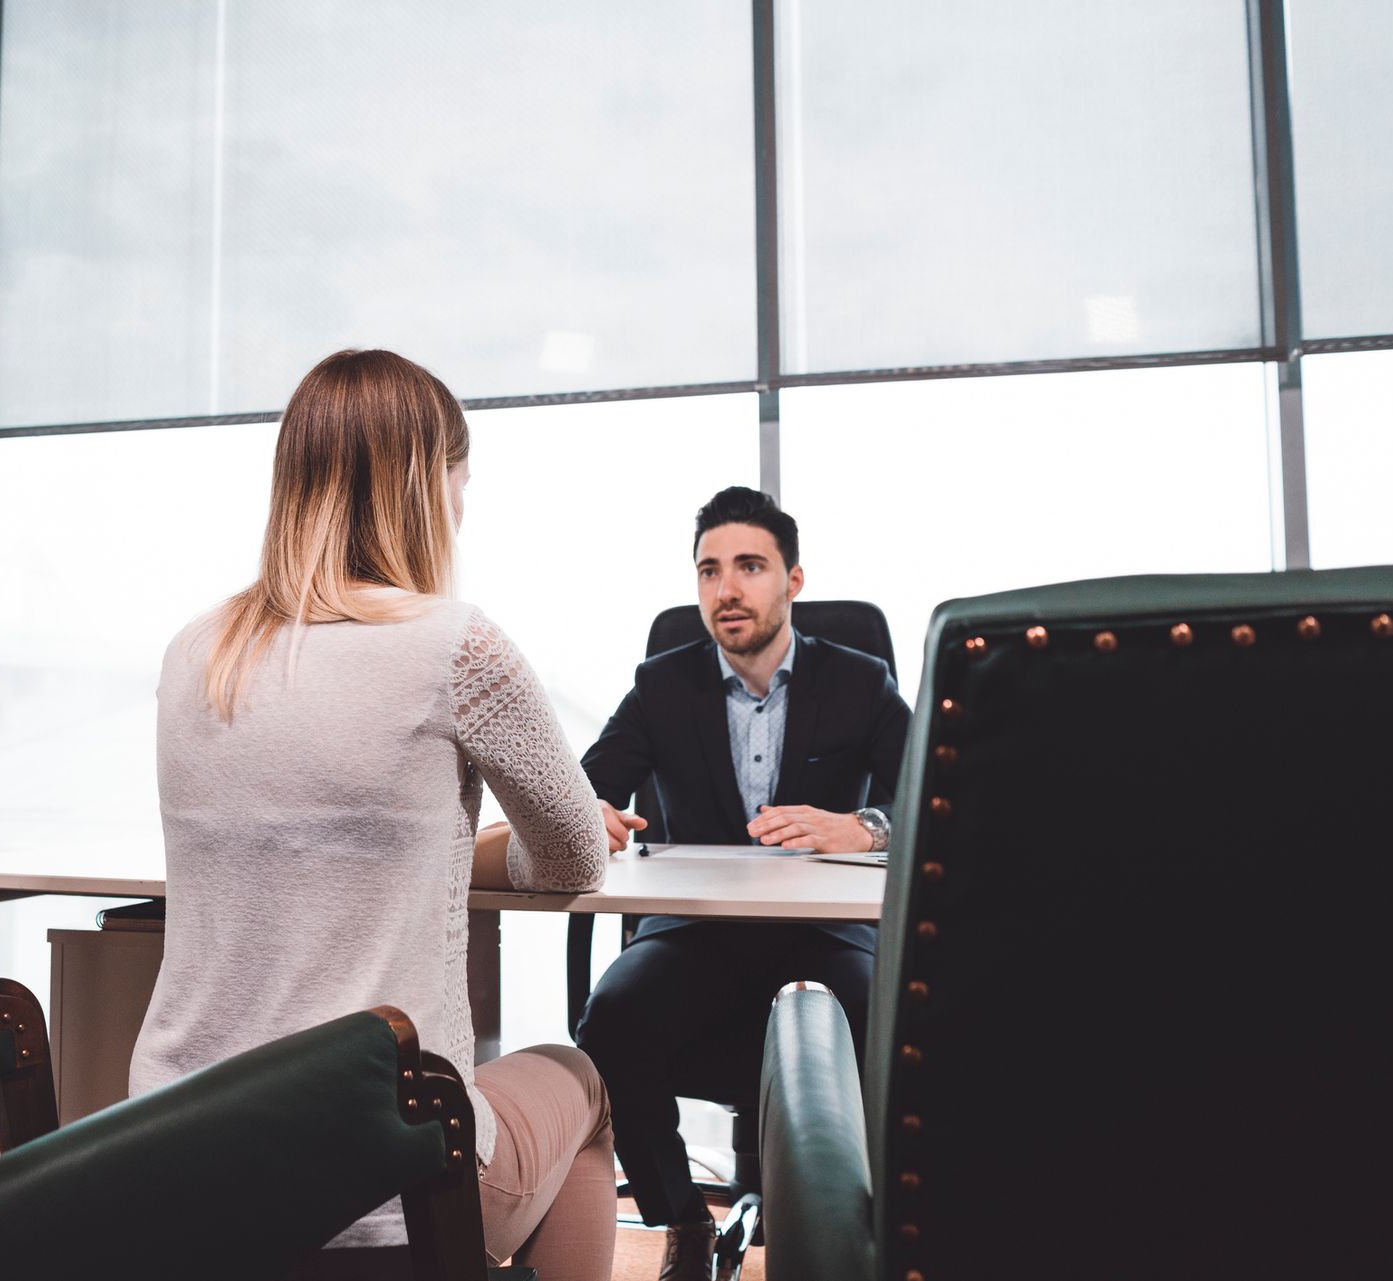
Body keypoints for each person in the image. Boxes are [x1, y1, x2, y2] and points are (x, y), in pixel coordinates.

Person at [128, 349, 616, 1280]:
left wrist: (443, 851)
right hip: (385, 1181)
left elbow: (325, 834)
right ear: (428, 486)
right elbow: (575, 858)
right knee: (582, 1088)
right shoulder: (455, 646)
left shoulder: (195, 650)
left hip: (183, 1162)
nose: (466, 506)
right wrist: (489, 848)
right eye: (462, 479)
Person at [576, 485, 910, 1281]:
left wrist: (863, 826)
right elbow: (585, 788)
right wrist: (592, 813)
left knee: (897, 1027)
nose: (727, 589)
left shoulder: (860, 679)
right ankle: (682, 1217)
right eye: (709, 570)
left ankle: (866, 1234)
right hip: (696, 934)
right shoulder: (662, 684)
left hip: (823, 933)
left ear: (793, 580)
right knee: (613, 1016)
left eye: (750, 566)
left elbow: (924, 796)